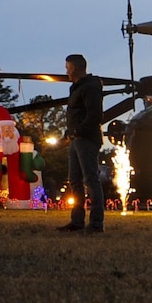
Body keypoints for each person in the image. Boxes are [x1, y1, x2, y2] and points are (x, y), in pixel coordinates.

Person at [57, 54, 106, 233]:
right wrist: (69, 134)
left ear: (75, 68)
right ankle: (77, 221)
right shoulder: (77, 88)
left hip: (86, 139)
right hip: (76, 139)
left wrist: (77, 131)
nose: (66, 71)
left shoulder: (90, 87)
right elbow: (76, 114)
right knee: (75, 181)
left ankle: (96, 223)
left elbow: (95, 115)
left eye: (68, 67)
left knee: (90, 179)